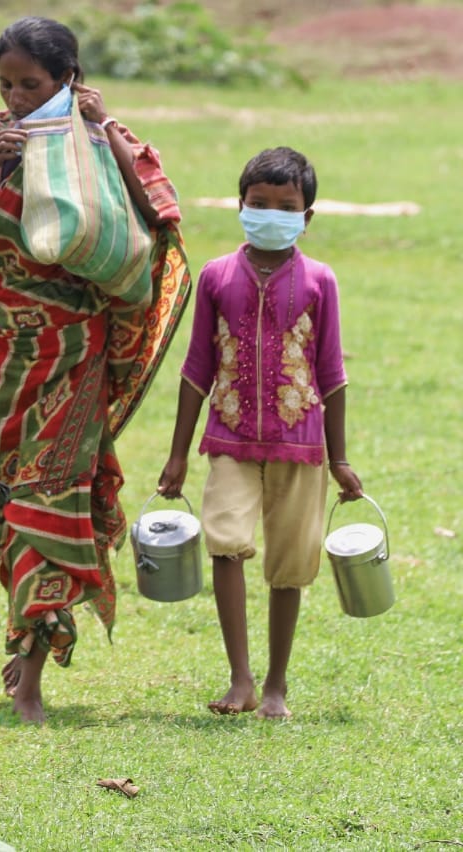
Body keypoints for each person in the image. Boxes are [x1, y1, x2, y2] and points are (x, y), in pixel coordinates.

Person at [0, 16, 191, 724]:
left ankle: (30, 675)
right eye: (6, 84)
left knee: (47, 498)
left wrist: (104, 130)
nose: (17, 98)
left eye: (31, 84)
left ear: (68, 79)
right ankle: (27, 623)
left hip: (73, 356)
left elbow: (160, 223)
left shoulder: (106, 140)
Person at [157, 146, 363, 720]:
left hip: (302, 443)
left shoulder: (320, 281)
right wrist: (177, 455)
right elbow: (196, 370)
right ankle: (240, 678)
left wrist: (340, 459)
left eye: (286, 206)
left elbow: (332, 375)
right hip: (230, 439)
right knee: (225, 543)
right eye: (260, 202)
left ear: (306, 216)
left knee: (289, 566)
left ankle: (276, 685)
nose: (271, 213)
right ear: (241, 205)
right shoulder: (216, 276)